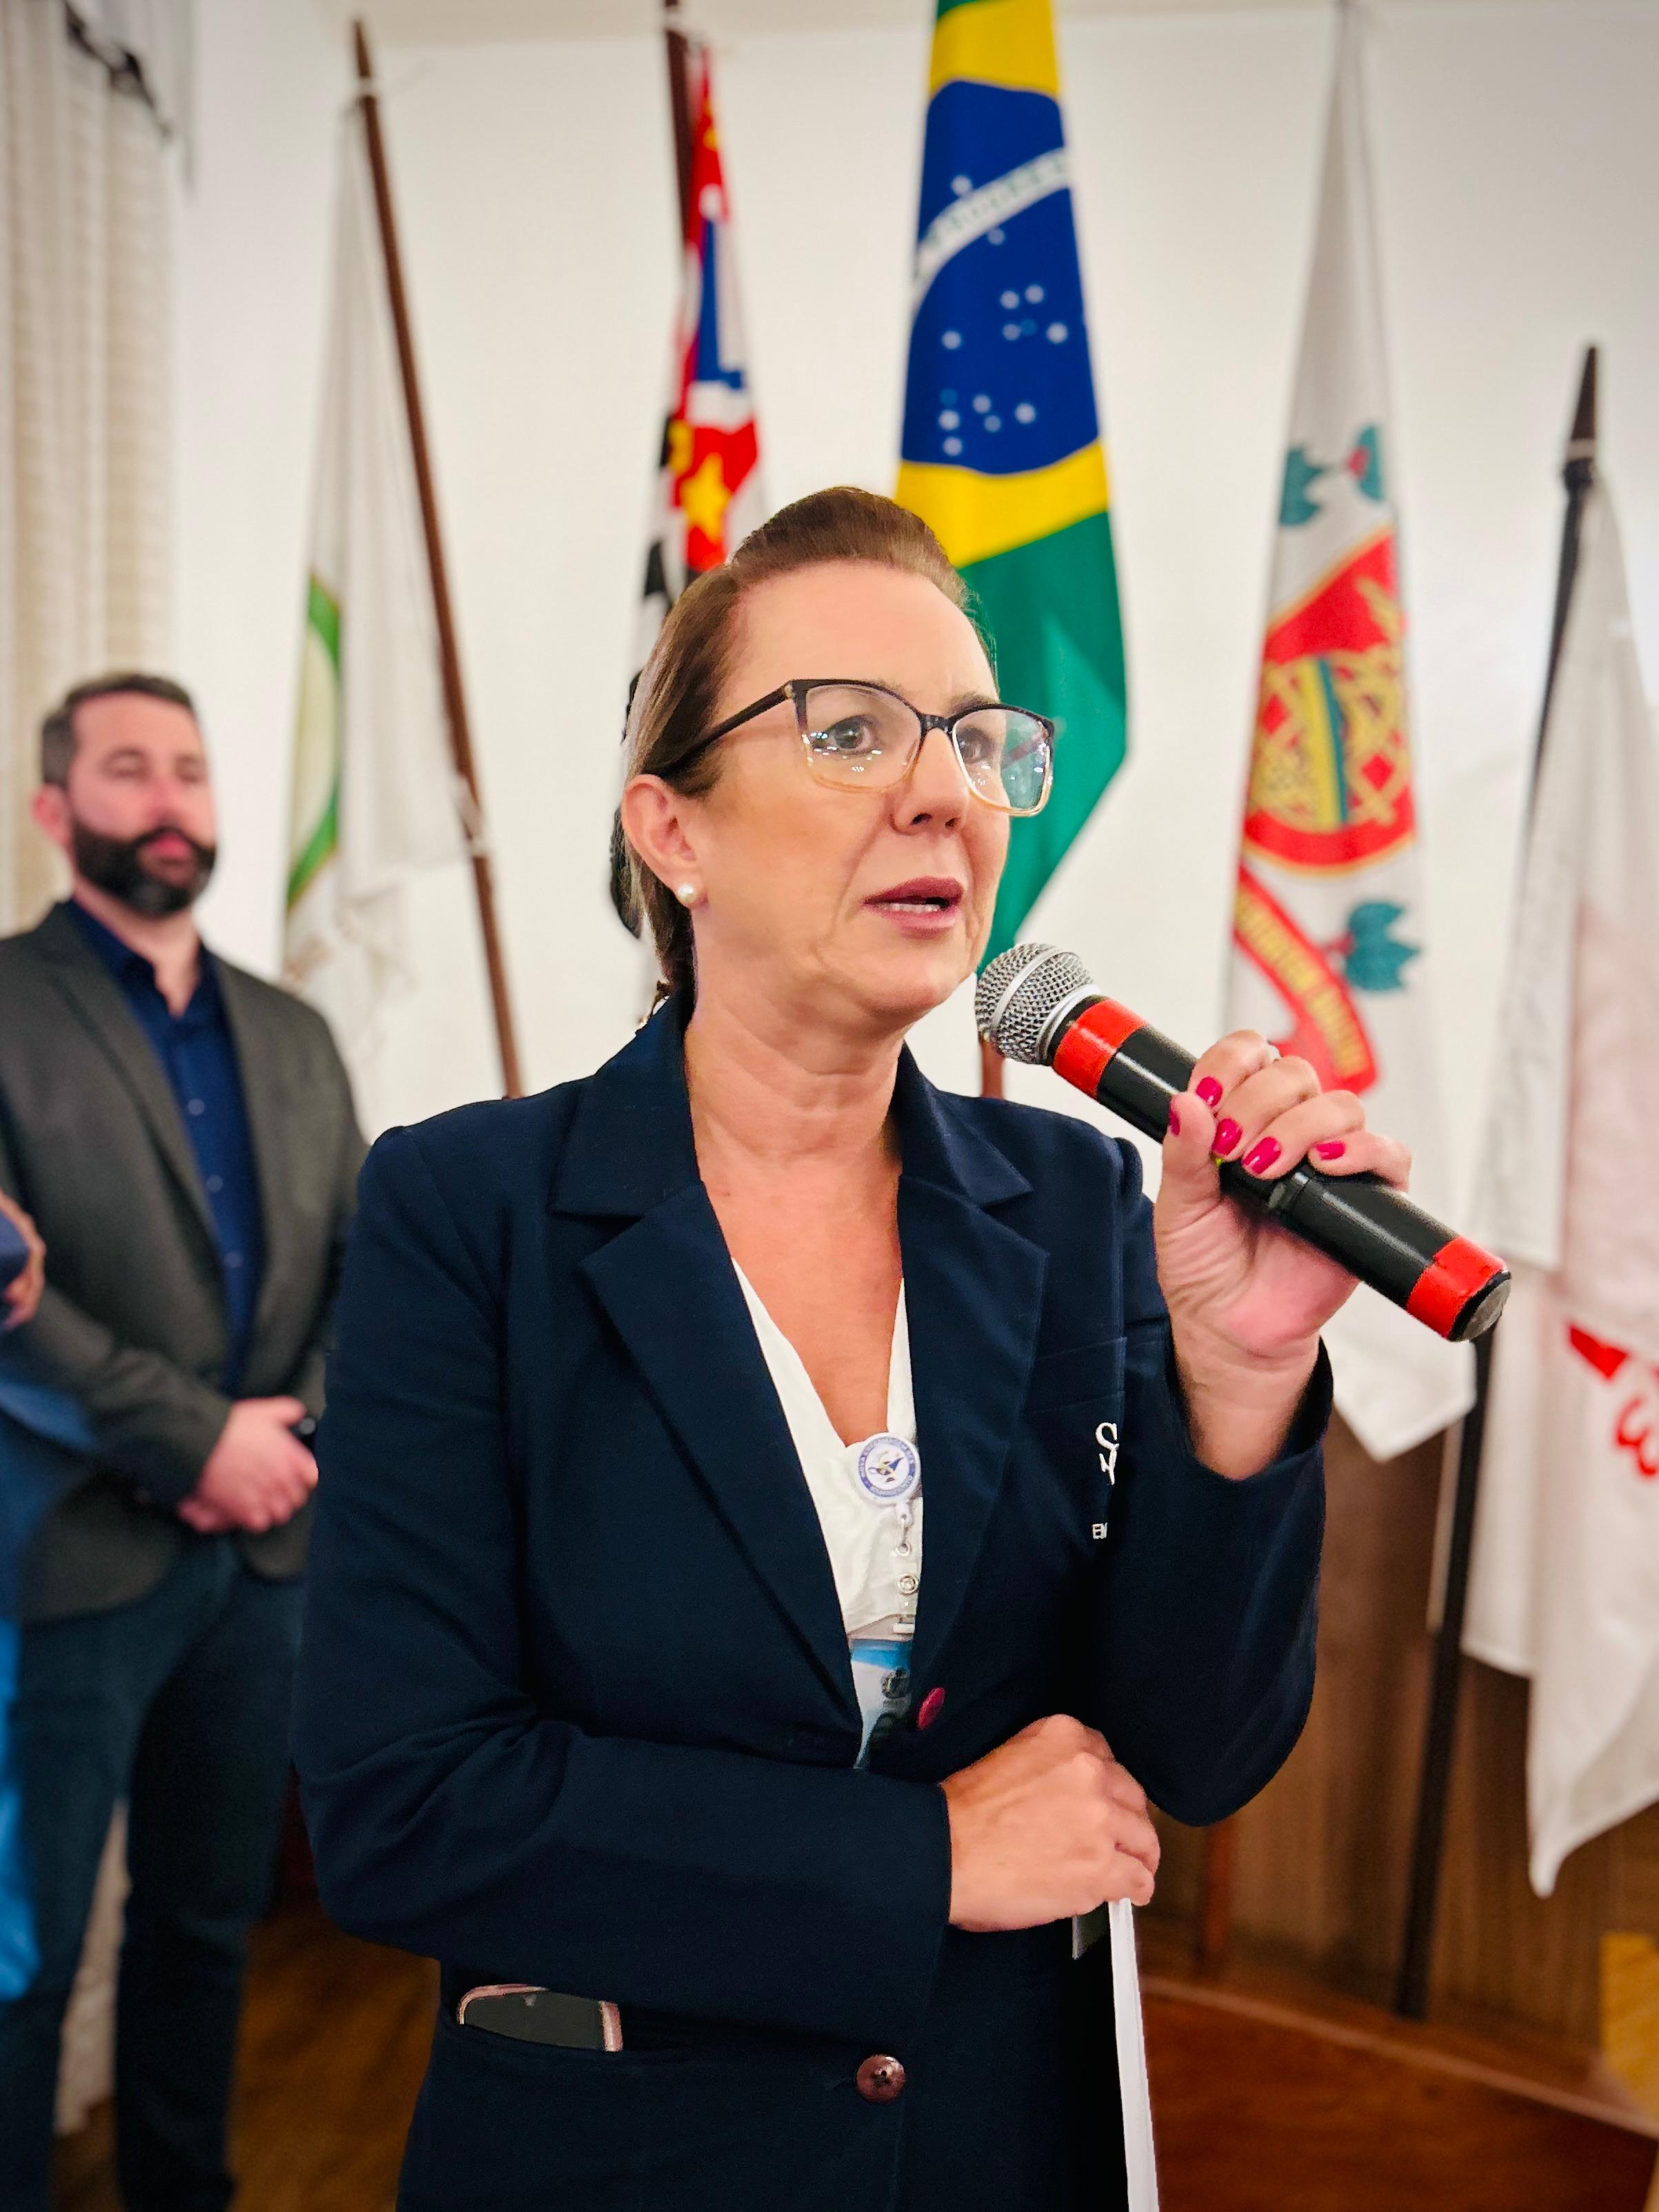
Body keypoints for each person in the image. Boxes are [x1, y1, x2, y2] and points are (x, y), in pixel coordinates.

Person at [294, 489, 1406, 2212]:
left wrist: (1241, 1375)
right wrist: (926, 1854)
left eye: (976, 738)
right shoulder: (470, 1210)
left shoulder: (1078, 1197)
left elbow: (1193, 1756)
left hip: (997, 2147)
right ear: (672, 828)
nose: (944, 789)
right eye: (850, 730)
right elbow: (405, 1807)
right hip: (624, 2159)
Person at [0, 673, 364, 2211]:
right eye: (129, 769)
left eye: (191, 771)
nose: (169, 800)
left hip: (262, 1559)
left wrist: (289, 1438)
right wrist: (200, 1439)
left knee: (206, 1929)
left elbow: (364, 1267)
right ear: (54, 806)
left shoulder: (294, 1029)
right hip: (60, 1551)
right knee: (22, 1952)